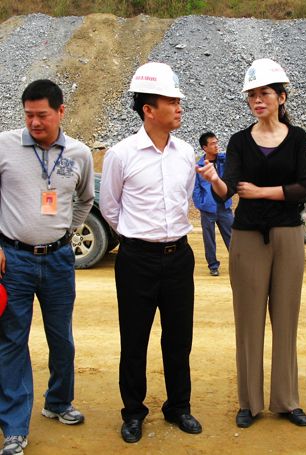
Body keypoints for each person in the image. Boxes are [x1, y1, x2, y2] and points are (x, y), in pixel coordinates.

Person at [197, 58, 306, 428]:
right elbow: (228, 190)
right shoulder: (239, 141)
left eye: (264, 93)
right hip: (247, 238)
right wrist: (215, 179)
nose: (257, 100)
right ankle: (249, 402)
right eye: (252, 95)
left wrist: (262, 192)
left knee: (286, 318)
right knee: (248, 321)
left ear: (281, 97)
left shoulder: (298, 138)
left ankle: (287, 400)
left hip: (288, 235)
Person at [100, 62, 202, 444]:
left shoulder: (185, 153)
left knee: (179, 339)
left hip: (179, 257)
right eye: (171, 101)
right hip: (136, 261)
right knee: (134, 340)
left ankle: (178, 406)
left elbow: (184, 197)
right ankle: (133, 412)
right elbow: (110, 207)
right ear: (148, 109)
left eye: (178, 101)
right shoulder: (121, 154)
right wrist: (138, 238)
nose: (179, 107)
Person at [0, 79, 94, 455]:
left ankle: (58, 402)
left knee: (62, 338)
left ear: (60, 112)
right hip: (13, 260)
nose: (35, 122)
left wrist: (67, 233)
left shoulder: (79, 154)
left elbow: (85, 199)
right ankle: (14, 428)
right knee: (12, 341)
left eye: (42, 115)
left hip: (58, 260)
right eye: (28, 115)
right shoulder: (4, 146)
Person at [193, 132, 233, 276]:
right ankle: (213, 266)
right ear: (205, 147)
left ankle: (238, 263)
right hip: (208, 208)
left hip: (224, 206)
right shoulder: (199, 167)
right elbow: (195, 188)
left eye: (217, 142)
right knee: (209, 239)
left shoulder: (224, 160)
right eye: (213, 143)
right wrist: (202, 204)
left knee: (233, 237)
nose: (216, 146)